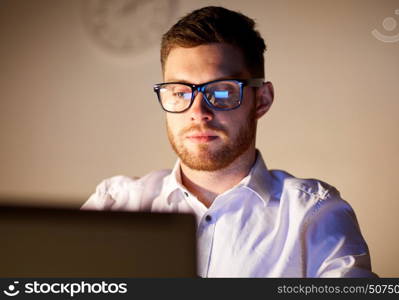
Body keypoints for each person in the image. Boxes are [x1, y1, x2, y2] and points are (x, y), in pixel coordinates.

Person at [82, 6, 376, 278]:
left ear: (261, 100)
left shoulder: (314, 215)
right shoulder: (114, 205)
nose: (198, 112)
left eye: (221, 93)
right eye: (180, 92)